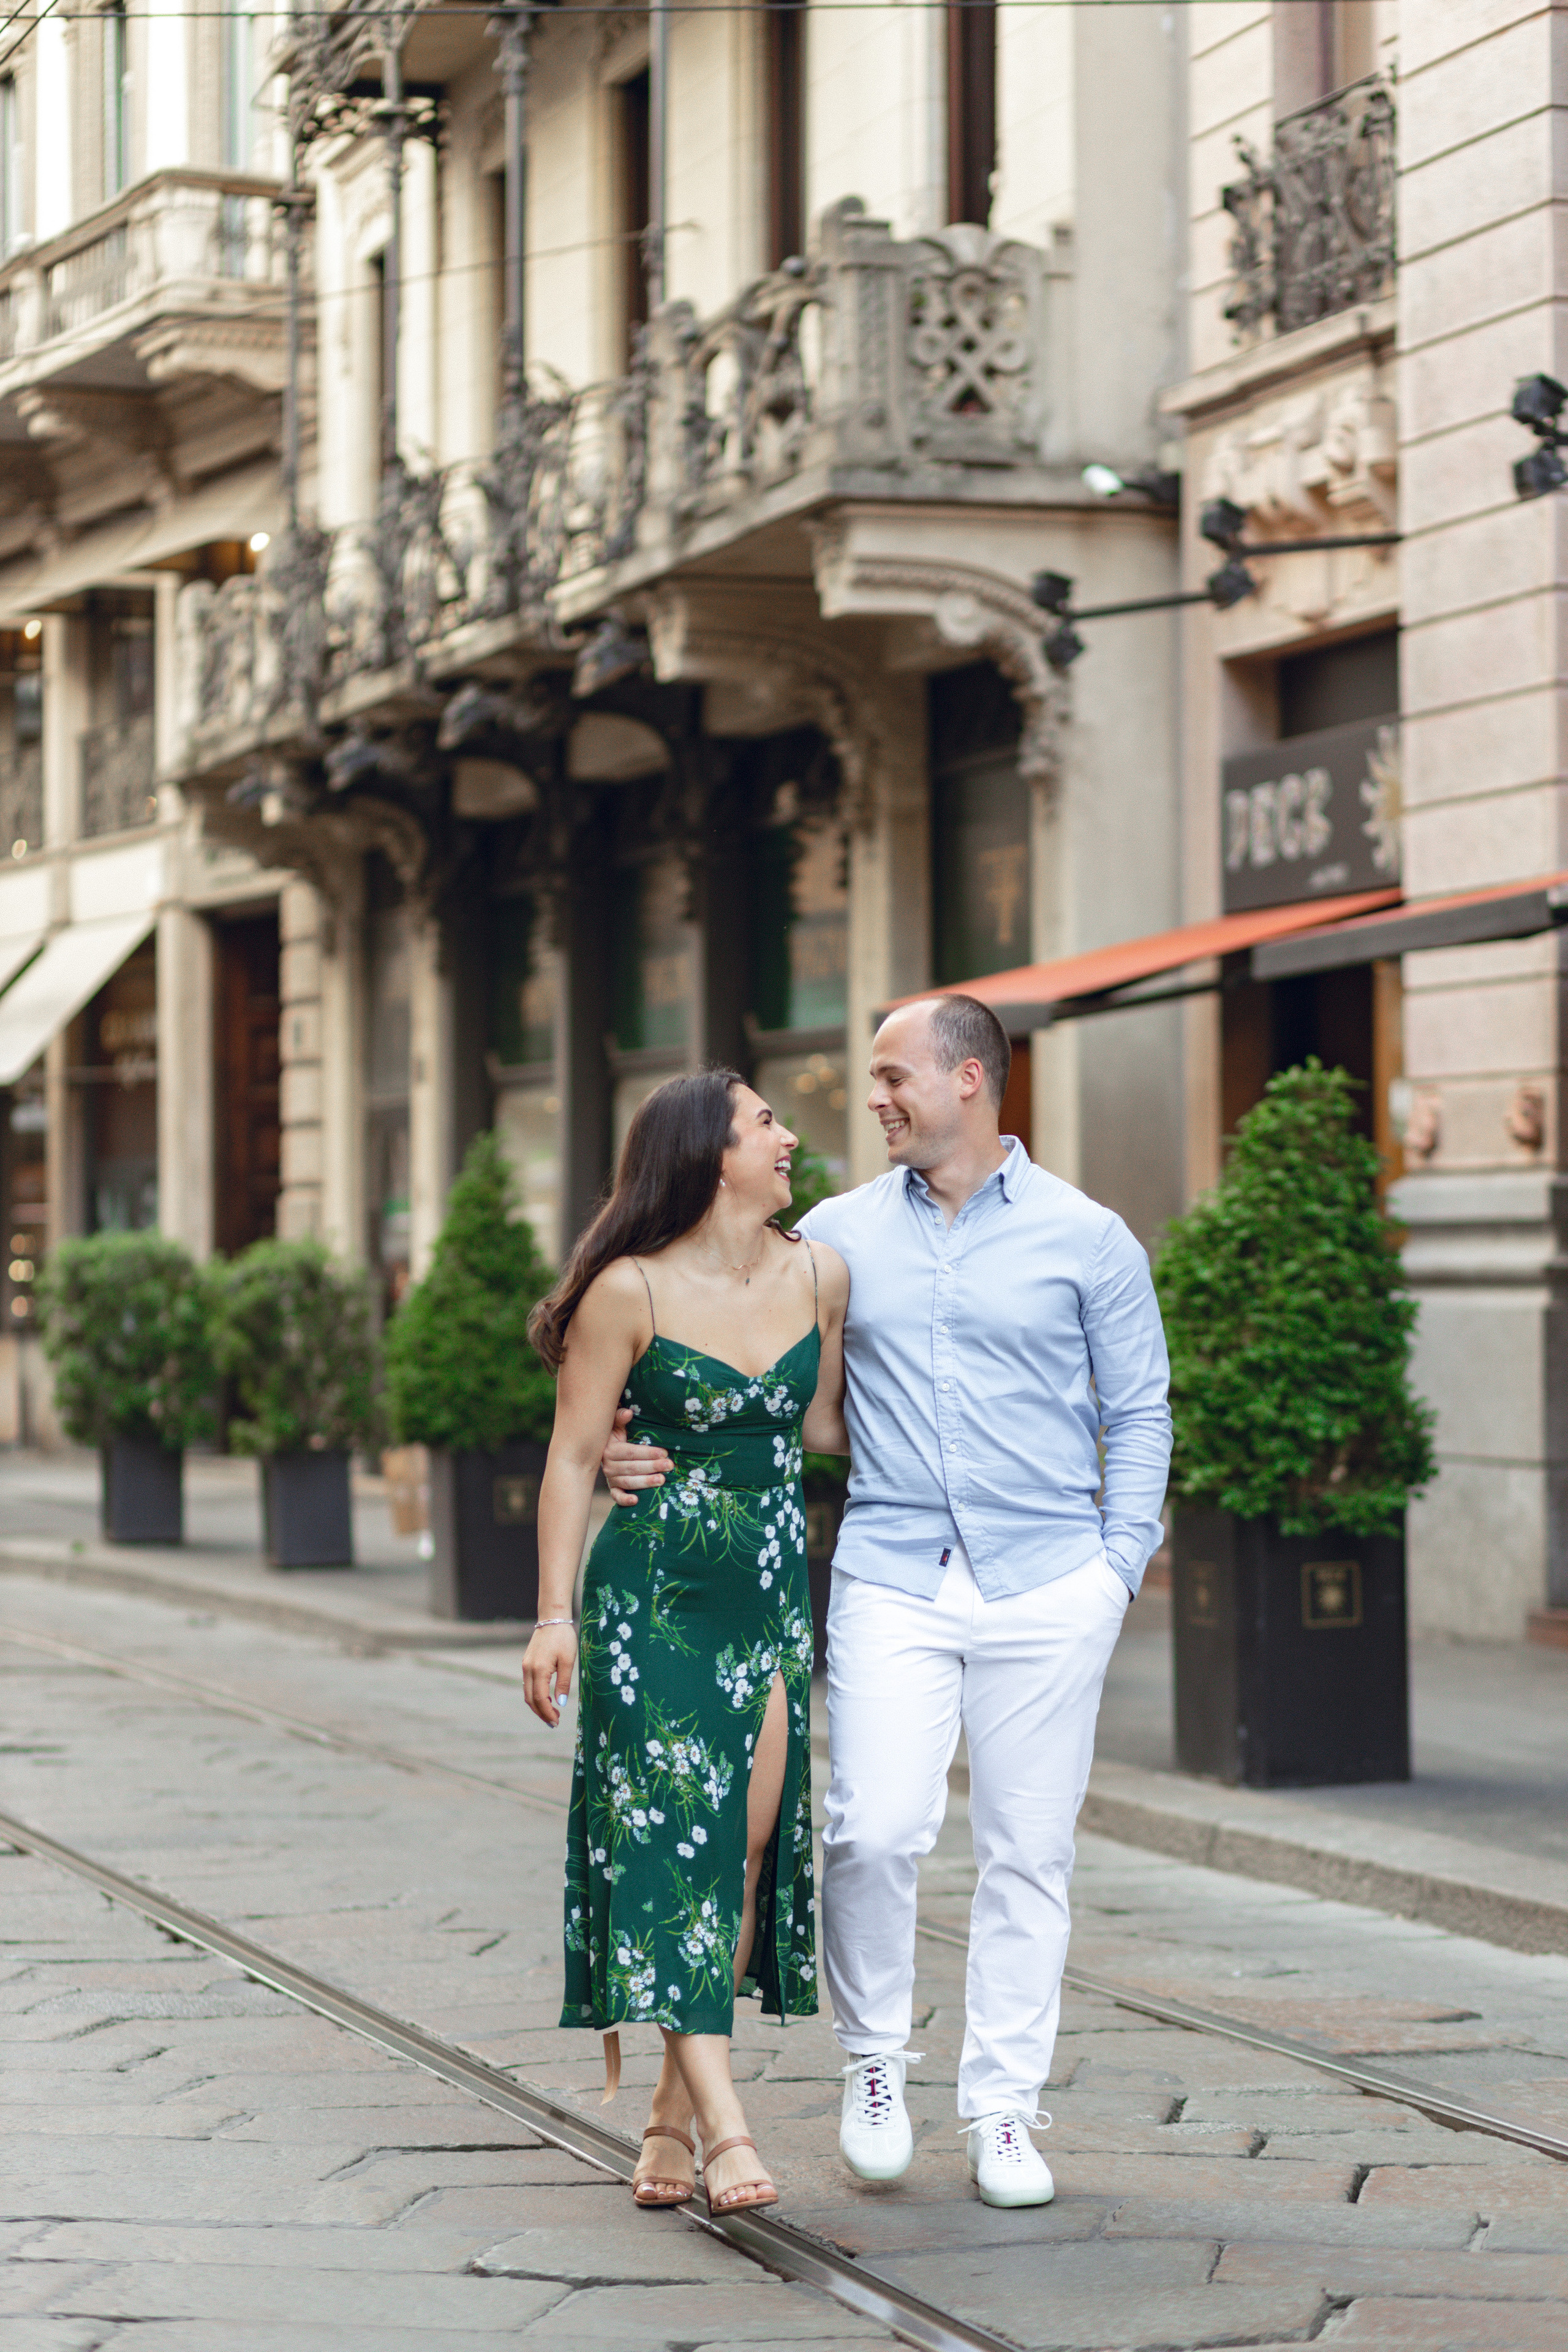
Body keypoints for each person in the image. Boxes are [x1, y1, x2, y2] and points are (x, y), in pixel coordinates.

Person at [602, 994, 1170, 2209]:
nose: (872, 1099)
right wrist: (623, 1438)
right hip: (892, 1576)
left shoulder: (1088, 1238)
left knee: (1029, 1855)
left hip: (1046, 1583)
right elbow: (705, 1336)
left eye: (892, 1076)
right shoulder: (832, 1236)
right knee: (872, 1828)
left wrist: (1113, 1569)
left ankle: (1002, 2110)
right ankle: (874, 2067)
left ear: (970, 1080)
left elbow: (1140, 1415)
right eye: (870, 1078)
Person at [522, 1069, 849, 2217]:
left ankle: (664, 2116)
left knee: (746, 1850)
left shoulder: (823, 1272)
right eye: (767, 1122)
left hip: (765, 1597)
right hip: (649, 1597)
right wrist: (553, 1615)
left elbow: (826, 1427)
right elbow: (569, 1458)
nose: (790, 1135)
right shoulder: (628, 1291)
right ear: (713, 1153)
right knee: (672, 1851)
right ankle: (727, 2125)